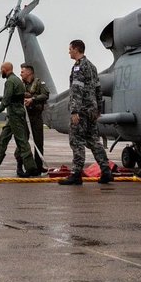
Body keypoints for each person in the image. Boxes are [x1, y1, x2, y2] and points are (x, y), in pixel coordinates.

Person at [59, 39, 112, 186]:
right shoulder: (92, 66)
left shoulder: (78, 67)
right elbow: (98, 89)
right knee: (94, 141)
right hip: (92, 110)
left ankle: (76, 174)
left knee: (76, 141)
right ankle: (106, 170)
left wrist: (75, 111)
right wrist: (99, 109)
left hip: (81, 110)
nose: (69, 51)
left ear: (76, 49)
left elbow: (77, 90)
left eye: (70, 49)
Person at [0, 62, 38, 178]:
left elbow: (6, 100)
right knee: (3, 140)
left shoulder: (10, 82)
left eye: (1, 69)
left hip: (15, 116)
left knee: (22, 142)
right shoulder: (17, 80)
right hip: (13, 116)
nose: (0, 72)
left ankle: (31, 168)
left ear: (5, 69)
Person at [21, 62, 50, 174]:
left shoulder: (39, 83)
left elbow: (45, 95)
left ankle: (39, 166)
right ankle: (28, 166)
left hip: (36, 116)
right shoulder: (21, 85)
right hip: (26, 117)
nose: (21, 74)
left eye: (23, 71)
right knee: (24, 143)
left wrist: (33, 99)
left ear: (29, 72)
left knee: (39, 142)